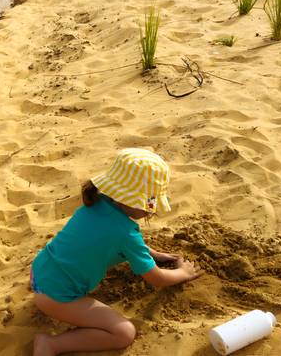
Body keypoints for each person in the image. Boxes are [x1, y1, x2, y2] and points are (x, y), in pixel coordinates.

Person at [31, 148, 203, 356]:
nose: (152, 210)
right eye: (150, 204)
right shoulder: (126, 234)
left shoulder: (96, 202)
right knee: (124, 333)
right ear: (132, 200)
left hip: (39, 271)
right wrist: (183, 273)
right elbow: (157, 278)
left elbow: (109, 238)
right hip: (56, 298)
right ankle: (51, 344)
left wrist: (153, 254)